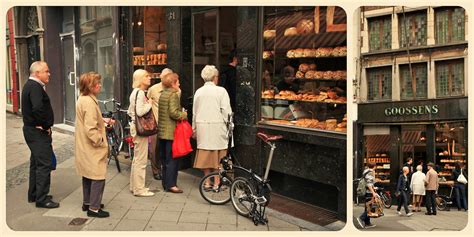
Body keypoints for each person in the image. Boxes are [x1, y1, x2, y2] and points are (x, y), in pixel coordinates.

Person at [22, 61, 59, 208]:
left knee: (35, 163)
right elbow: (37, 108)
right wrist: (45, 126)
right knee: (44, 164)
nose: (49, 73)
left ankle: (34, 194)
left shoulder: (30, 86)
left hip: (31, 131)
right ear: (37, 73)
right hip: (37, 132)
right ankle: (42, 199)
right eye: (46, 71)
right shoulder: (35, 87)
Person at [75, 72, 110, 218]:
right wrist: (100, 141)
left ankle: (88, 202)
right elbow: (91, 128)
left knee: (88, 174)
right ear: (90, 86)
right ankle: (94, 208)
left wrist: (103, 120)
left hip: (84, 145)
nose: (100, 85)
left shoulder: (83, 99)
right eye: (97, 83)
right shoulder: (89, 102)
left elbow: (90, 120)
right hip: (92, 146)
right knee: (98, 176)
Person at [193, 65, 233, 190]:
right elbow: (226, 111)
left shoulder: (198, 91)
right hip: (217, 127)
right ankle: (217, 183)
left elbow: (195, 112)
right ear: (215, 77)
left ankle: (207, 182)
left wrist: (194, 128)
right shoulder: (221, 91)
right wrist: (230, 125)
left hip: (202, 127)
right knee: (218, 156)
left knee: (205, 155)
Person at [158, 72, 187, 193]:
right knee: (172, 160)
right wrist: (184, 114)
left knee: (165, 160)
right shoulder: (173, 95)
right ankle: (171, 185)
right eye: (178, 81)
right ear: (173, 83)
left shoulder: (163, 94)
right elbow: (174, 113)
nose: (179, 83)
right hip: (170, 133)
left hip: (162, 132)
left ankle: (165, 183)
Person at [127, 69, 155, 197]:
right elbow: (140, 111)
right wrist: (149, 104)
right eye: (146, 76)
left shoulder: (135, 92)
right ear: (140, 79)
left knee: (137, 158)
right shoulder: (139, 93)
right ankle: (139, 189)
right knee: (141, 160)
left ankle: (134, 186)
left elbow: (130, 111)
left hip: (134, 127)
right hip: (140, 129)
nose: (149, 78)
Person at [147, 68, 174, 180]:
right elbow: (147, 102)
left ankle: (165, 170)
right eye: (163, 77)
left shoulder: (175, 89)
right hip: (155, 124)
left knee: (167, 150)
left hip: (169, 125)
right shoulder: (153, 89)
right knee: (155, 149)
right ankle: (156, 170)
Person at [356, 162, 378, 229]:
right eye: (375, 166)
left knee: (367, 206)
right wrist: (373, 192)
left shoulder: (366, 170)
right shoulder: (370, 172)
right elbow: (369, 184)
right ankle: (361, 218)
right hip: (369, 192)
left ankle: (367, 223)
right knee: (370, 207)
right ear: (374, 166)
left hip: (366, 191)